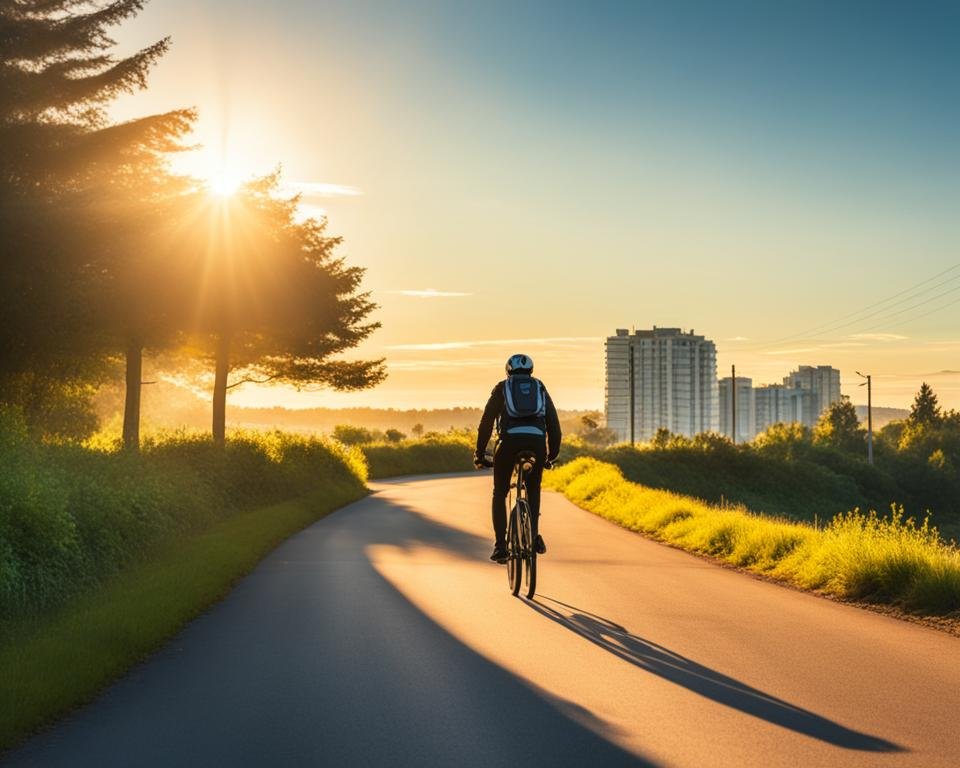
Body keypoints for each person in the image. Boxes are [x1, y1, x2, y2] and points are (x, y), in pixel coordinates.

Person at [474, 354, 562, 563]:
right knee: (533, 489)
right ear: (530, 371)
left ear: (508, 371)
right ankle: (533, 537)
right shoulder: (539, 387)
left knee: (500, 492)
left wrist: (480, 454)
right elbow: (554, 424)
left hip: (509, 444)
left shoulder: (502, 388)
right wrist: (551, 455)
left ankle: (500, 546)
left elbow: (486, 423)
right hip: (537, 444)